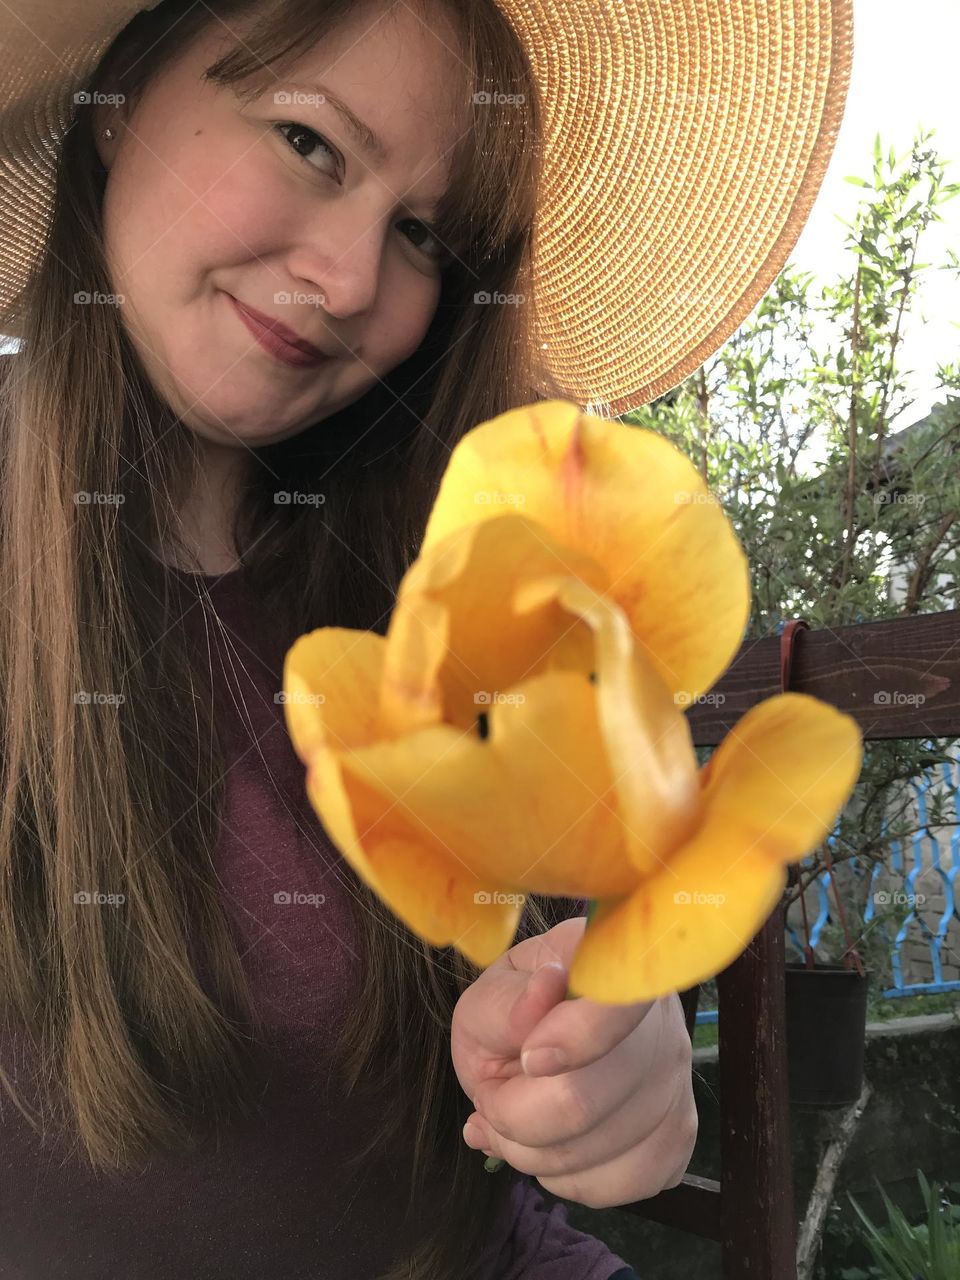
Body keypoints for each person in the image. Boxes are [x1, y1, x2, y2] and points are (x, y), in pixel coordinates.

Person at [0, 0, 852, 1277]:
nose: (351, 280)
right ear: (117, 102)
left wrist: (619, 1058)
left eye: (421, 235)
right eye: (310, 141)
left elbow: (573, 976)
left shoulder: (474, 577)